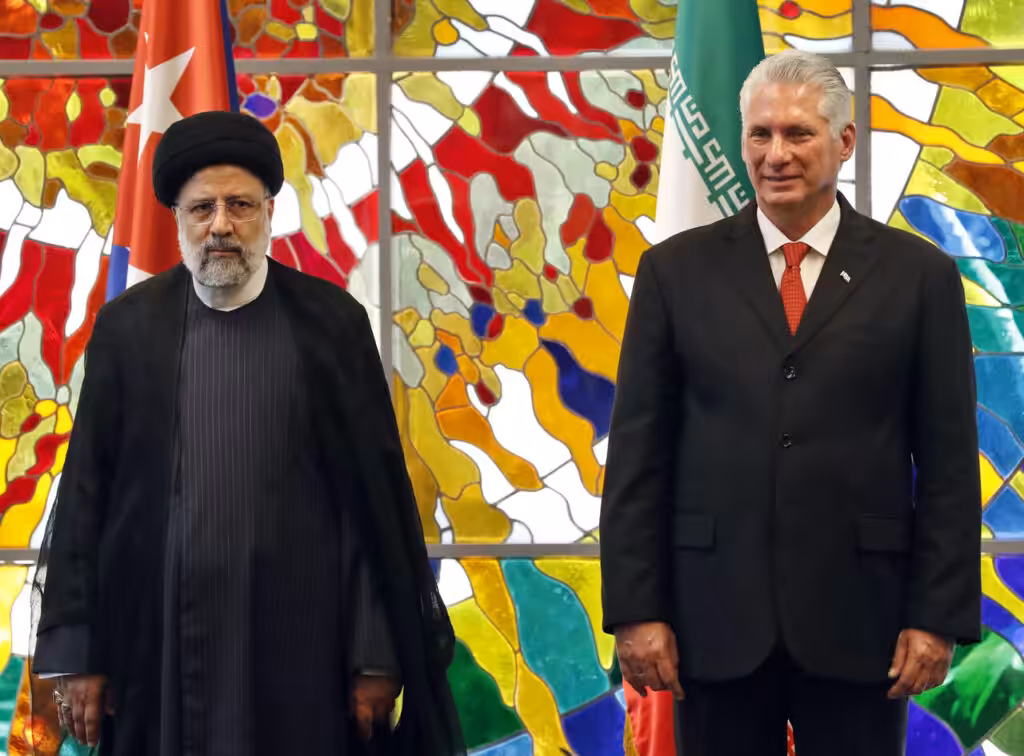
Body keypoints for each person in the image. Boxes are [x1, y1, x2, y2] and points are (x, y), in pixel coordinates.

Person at [31, 110, 465, 756]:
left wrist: (376, 656)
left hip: (303, 654)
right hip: (158, 654)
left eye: (239, 205)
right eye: (201, 209)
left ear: (269, 211)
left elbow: (375, 508)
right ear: (176, 219)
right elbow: (87, 494)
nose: (221, 226)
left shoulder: (331, 325)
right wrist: (78, 650)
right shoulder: (128, 330)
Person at [600, 50, 981, 756]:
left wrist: (936, 615)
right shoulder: (673, 273)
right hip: (709, 625)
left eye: (799, 134)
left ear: (843, 143)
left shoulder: (918, 276)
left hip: (864, 625)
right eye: (760, 134)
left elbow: (951, 462)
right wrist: (635, 609)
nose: (776, 154)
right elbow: (637, 457)